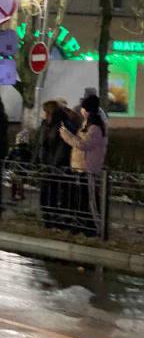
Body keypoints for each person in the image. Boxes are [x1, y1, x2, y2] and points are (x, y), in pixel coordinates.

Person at [60, 94, 108, 237]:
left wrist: (67, 135)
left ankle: (96, 227)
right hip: (80, 167)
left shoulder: (95, 127)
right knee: (80, 198)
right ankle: (82, 225)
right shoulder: (86, 124)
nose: (81, 111)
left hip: (89, 168)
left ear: (87, 110)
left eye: (83, 108)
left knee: (90, 199)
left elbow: (84, 144)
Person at [36, 100, 77, 229]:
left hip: (59, 166)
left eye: (47, 113)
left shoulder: (63, 125)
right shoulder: (46, 125)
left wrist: (55, 164)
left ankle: (60, 218)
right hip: (48, 165)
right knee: (47, 192)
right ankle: (48, 215)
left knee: (60, 192)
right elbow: (40, 143)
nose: (45, 115)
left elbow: (63, 147)